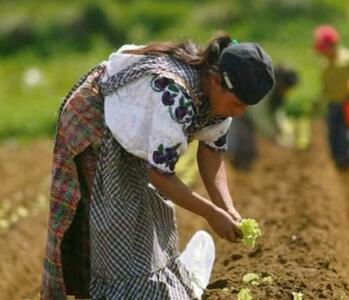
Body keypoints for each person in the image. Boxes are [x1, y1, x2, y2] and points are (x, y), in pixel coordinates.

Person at [40, 32, 275, 299]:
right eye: (237, 104)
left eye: (245, 107)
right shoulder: (175, 97)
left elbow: (212, 153)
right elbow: (160, 175)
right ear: (218, 81)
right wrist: (210, 213)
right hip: (95, 122)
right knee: (112, 220)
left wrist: (227, 207)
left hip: (134, 129)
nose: (238, 112)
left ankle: (141, 286)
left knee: (147, 214)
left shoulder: (219, 101)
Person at [313, 25, 349, 169]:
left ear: (332, 45)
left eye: (325, 49)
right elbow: (325, 88)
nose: (323, 53)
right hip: (333, 104)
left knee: (347, 132)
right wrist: (318, 102)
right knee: (332, 133)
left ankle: (347, 158)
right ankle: (336, 159)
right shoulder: (325, 65)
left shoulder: (347, 57)